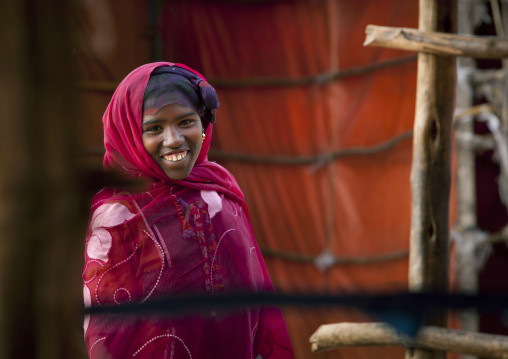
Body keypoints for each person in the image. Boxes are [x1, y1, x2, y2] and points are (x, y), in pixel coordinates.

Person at [82, 62, 294, 359]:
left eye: (185, 122)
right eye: (154, 128)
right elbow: (108, 330)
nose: (174, 140)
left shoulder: (219, 194)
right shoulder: (117, 217)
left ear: (204, 124)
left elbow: (252, 304)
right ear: (129, 133)